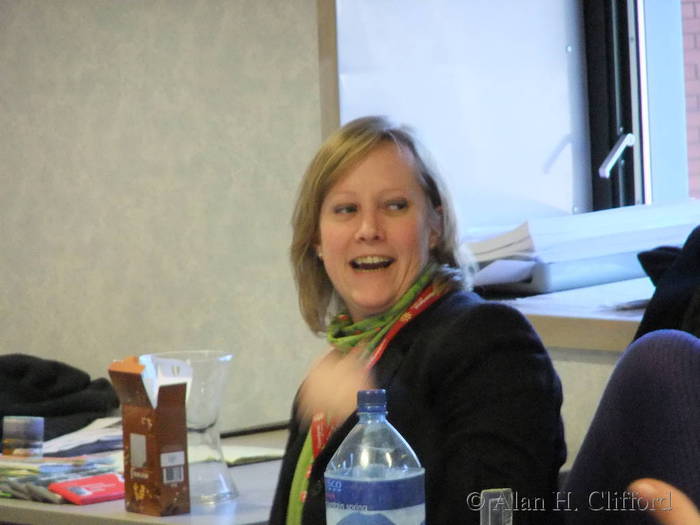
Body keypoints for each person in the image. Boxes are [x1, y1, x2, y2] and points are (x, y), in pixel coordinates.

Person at [269, 116, 566, 525]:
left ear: (434, 226)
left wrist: (369, 415)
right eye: (346, 209)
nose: (369, 229)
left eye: (395, 206)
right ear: (317, 240)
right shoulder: (340, 364)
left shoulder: (491, 341)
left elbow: (498, 516)